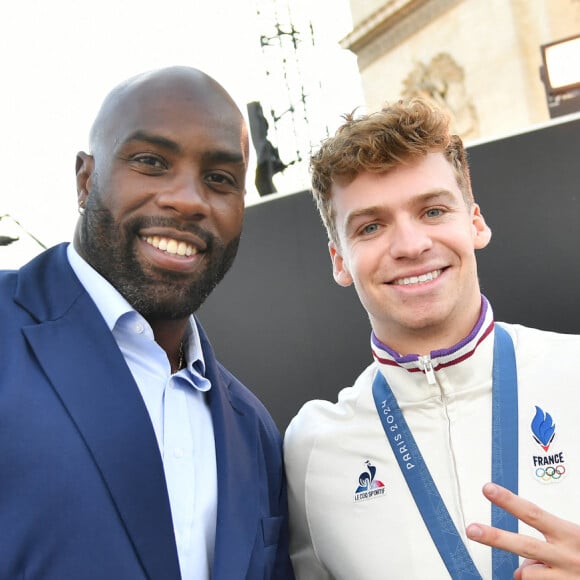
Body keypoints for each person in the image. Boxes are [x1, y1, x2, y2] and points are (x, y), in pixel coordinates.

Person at [0, 66, 294, 580]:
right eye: (152, 162)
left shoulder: (255, 433)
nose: (187, 199)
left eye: (220, 179)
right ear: (86, 179)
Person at [283, 97, 580, 579]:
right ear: (339, 259)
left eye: (434, 211)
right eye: (372, 226)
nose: (411, 245)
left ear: (475, 222)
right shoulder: (313, 449)